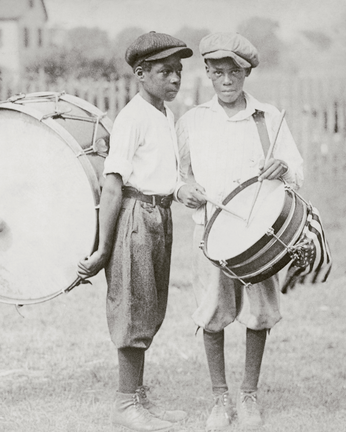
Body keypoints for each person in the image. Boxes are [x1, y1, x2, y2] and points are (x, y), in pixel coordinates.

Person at [175, 32, 304, 431]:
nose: (227, 80)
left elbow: (297, 171)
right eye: (218, 72)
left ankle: (249, 395)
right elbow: (179, 176)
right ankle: (220, 398)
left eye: (234, 72)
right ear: (208, 73)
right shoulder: (193, 121)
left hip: (258, 237)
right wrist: (185, 191)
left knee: (258, 314)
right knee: (212, 313)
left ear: (246, 73)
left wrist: (284, 167)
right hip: (211, 236)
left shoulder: (268, 117)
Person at [77, 31, 204, 432]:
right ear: (141, 73)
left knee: (149, 307)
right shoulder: (132, 118)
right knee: (132, 308)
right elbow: (113, 185)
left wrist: (182, 191)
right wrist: (102, 249)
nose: (175, 78)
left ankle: (138, 396)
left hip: (159, 217)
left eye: (178, 70)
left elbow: (164, 175)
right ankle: (124, 403)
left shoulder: (165, 115)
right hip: (134, 217)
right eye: (165, 71)